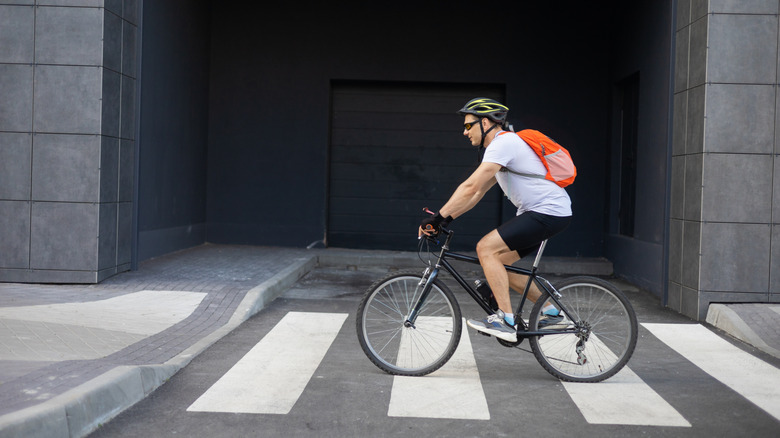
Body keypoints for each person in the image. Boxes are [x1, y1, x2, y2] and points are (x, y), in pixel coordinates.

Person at [418, 97, 572, 342]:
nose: (464, 131)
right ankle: (552, 312)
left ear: (486, 122)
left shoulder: (503, 143)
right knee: (500, 263)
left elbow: (470, 186)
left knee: (485, 248)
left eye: (469, 125)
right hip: (548, 213)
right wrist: (445, 220)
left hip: (547, 212)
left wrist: (438, 218)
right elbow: (477, 193)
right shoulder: (499, 149)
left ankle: (506, 321)